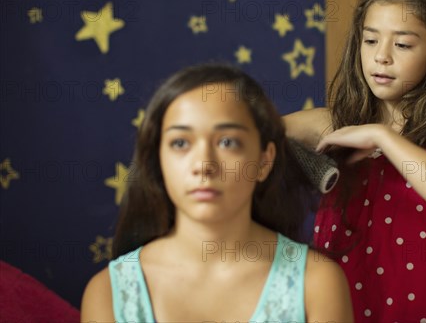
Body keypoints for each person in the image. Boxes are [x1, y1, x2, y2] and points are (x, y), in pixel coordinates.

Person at [285, 0, 426, 322]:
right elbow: (249, 133)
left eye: (402, 44)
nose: (381, 56)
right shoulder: (332, 123)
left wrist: (384, 137)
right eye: (370, 40)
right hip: (347, 292)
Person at [81, 64, 353, 322]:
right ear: (158, 162)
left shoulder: (316, 284)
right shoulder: (108, 292)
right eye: (180, 143)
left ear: (264, 161)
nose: (204, 165)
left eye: (227, 142)